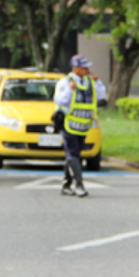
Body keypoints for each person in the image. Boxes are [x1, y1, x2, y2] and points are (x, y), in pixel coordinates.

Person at [52, 55, 106, 197]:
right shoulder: (65, 82)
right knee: (73, 153)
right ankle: (79, 184)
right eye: (83, 67)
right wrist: (70, 90)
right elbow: (59, 100)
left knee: (74, 154)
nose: (87, 69)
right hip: (68, 123)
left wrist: (98, 82)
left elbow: (101, 96)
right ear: (75, 68)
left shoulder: (90, 81)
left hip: (83, 124)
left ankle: (66, 184)